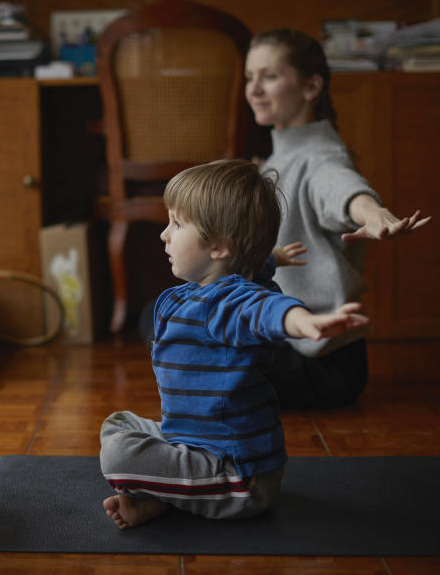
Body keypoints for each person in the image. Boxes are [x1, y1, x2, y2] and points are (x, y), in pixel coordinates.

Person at [100, 159, 368, 529]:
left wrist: (306, 323)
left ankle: (162, 496)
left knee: (117, 455)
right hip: (194, 443)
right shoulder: (220, 280)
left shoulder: (229, 302)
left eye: (177, 224)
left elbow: (266, 308)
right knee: (117, 425)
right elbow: (251, 268)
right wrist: (271, 257)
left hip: (238, 476)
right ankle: (158, 501)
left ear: (219, 248)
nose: (164, 234)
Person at [245, 29, 428, 409]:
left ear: (311, 87)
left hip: (321, 364)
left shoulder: (322, 157)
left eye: (270, 76)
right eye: (250, 77)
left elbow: (342, 188)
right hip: (291, 344)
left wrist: (373, 213)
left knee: (179, 333)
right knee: (164, 316)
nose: (254, 89)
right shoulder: (284, 154)